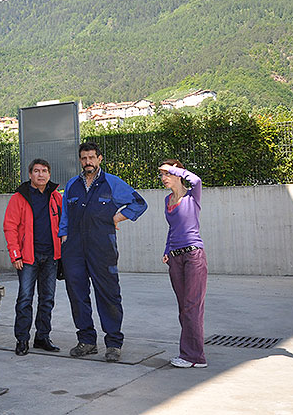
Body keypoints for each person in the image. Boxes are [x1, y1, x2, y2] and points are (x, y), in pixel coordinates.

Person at [60, 141, 147, 362]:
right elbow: (65, 216)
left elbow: (139, 203)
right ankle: (87, 341)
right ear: (80, 160)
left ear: (99, 159)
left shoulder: (112, 183)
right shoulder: (72, 185)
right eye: (84, 158)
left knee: (108, 294)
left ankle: (114, 343)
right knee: (77, 295)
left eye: (91, 157)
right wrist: (64, 238)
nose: (87, 162)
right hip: (74, 249)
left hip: (102, 248)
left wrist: (117, 217)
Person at [3, 158, 63, 356]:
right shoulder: (19, 197)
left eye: (44, 171)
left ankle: (42, 337)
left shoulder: (56, 197)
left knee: (47, 299)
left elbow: (64, 223)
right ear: (30, 174)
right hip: (28, 258)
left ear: (49, 174)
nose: (40, 174)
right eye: (36, 171)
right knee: (25, 299)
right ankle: (22, 339)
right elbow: (10, 227)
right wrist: (15, 254)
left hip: (51, 257)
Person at [159, 159, 208, 368]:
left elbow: (196, 180)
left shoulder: (192, 196)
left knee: (192, 306)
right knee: (184, 308)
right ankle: (190, 353)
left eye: (167, 174)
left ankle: (194, 357)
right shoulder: (167, 200)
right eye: (162, 174)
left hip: (193, 255)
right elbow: (172, 228)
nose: (164, 178)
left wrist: (173, 168)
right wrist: (167, 250)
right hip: (175, 257)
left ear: (178, 174)